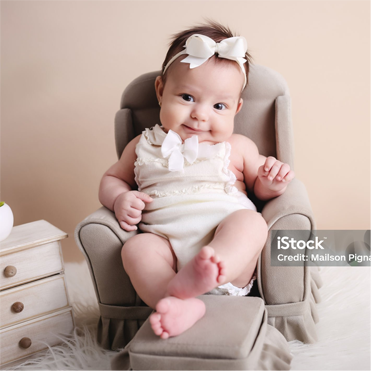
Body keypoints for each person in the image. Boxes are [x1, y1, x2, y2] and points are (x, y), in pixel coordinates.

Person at [98, 21, 295, 340]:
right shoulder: (142, 145)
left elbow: (261, 190)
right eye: (187, 97)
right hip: (167, 252)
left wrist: (272, 183)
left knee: (250, 223)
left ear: (236, 108)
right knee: (137, 249)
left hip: (226, 261)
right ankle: (176, 302)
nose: (201, 115)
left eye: (219, 106)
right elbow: (111, 179)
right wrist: (120, 197)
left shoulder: (238, 147)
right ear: (161, 91)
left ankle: (208, 271)